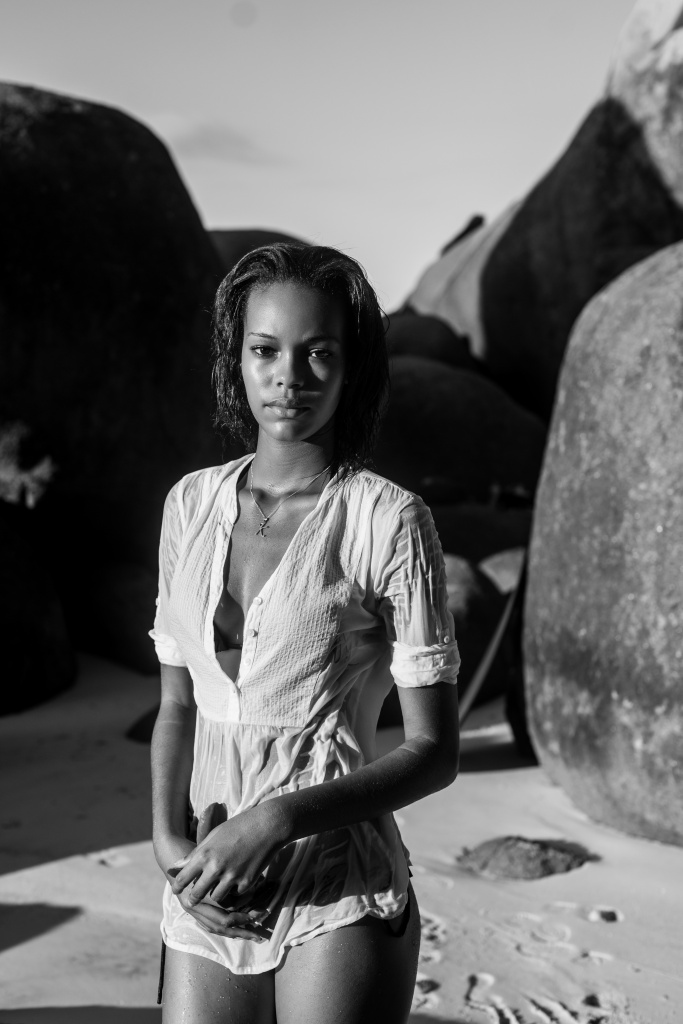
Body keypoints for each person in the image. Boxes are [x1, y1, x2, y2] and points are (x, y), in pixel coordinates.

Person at [149, 243, 460, 1024]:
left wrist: (277, 819)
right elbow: (177, 705)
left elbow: (434, 750)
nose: (288, 377)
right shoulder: (189, 505)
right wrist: (167, 845)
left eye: (318, 352)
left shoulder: (387, 519)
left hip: (336, 878)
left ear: (352, 368)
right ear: (237, 359)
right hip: (207, 874)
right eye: (265, 350)